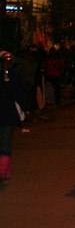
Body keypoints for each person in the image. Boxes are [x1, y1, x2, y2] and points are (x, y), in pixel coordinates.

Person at [0, 51, 30, 180]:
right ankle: (6, 171)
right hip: (8, 115)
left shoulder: (15, 76)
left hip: (9, 116)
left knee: (5, 145)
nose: (7, 64)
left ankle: (3, 171)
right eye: (5, 62)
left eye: (9, 62)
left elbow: (26, 88)